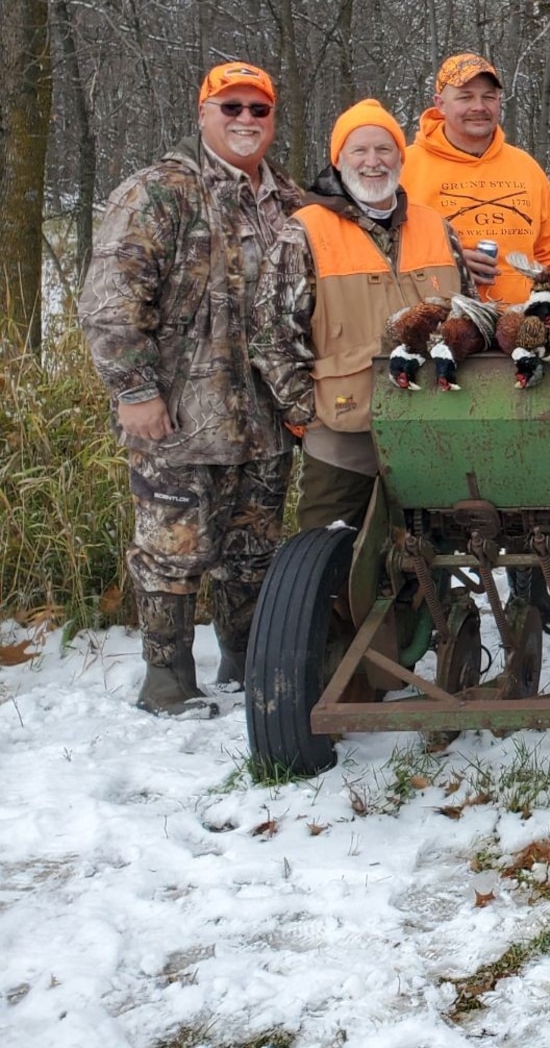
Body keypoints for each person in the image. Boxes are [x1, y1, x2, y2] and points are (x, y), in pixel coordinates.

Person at [79, 62, 303, 717]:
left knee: (253, 549)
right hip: (179, 415)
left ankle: (244, 655)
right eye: (229, 107)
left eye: (258, 109)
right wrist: (133, 388)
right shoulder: (158, 193)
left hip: (265, 417)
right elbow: (108, 304)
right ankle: (168, 677)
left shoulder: (290, 200)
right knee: (172, 547)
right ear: (204, 113)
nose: (244, 120)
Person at [254, 100, 472, 532]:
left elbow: (470, 316)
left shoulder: (436, 227)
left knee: (425, 561)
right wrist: (307, 415)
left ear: (401, 157)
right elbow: (271, 335)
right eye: (359, 151)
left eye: (384, 149)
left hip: (430, 424)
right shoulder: (306, 231)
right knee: (326, 560)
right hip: (345, 432)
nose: (373, 162)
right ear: (338, 160)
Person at [399, 52, 550, 305]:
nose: (479, 106)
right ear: (440, 103)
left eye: (488, 97)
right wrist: (447, 262)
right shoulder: (404, 168)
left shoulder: (527, 168)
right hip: (437, 330)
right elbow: (383, 257)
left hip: (521, 330)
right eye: (465, 97)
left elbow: (549, 254)